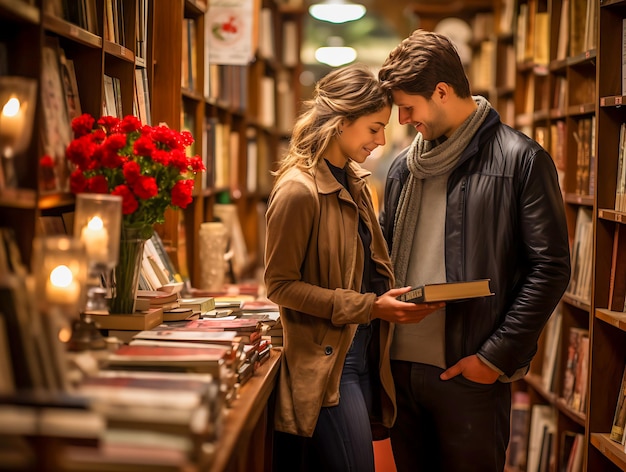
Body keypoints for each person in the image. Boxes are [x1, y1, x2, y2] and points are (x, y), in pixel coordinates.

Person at [377, 29, 571, 472]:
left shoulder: (521, 159)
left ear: (441, 92)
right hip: (398, 373)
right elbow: (383, 261)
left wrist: (493, 359)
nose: (403, 120)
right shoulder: (403, 168)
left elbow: (551, 269)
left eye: (409, 107)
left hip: (470, 372)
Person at [264, 63, 441, 472]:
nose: (381, 141)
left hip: (363, 353)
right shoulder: (298, 189)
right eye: (374, 128)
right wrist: (370, 308)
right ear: (341, 123)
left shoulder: (355, 183)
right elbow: (280, 285)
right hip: (329, 366)